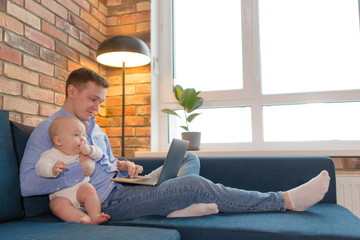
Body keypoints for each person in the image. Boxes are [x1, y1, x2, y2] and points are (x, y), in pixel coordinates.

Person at [20, 68, 330, 221]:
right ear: (71, 92)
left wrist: (123, 166)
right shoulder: (50, 130)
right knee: (193, 182)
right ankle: (284, 200)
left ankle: (178, 205)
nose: (96, 108)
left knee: (189, 161)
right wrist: (80, 171)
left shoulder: (94, 128)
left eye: (100, 102)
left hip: (121, 186)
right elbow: (26, 184)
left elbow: (106, 163)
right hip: (108, 203)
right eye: (92, 100)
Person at [35, 116, 110, 225]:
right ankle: (82, 218)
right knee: (55, 205)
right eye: (76, 135)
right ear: (59, 141)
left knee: (89, 189)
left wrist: (90, 150)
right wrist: (52, 169)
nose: (82, 139)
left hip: (80, 190)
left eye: (83, 135)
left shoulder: (82, 151)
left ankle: (95, 216)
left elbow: (99, 154)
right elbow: (40, 167)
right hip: (61, 195)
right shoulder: (51, 154)